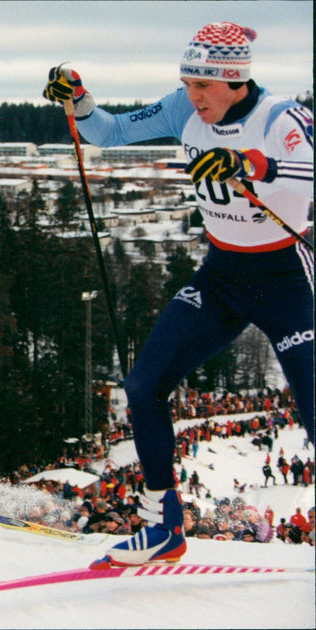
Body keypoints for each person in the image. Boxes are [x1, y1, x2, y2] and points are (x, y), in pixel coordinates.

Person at [43, 21, 314, 568]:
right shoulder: (181, 108)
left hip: (288, 280)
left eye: (203, 86)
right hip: (222, 277)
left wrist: (249, 165)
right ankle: (162, 525)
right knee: (144, 385)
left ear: (235, 81)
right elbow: (111, 132)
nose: (192, 97)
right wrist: (81, 101)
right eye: (186, 83)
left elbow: (306, 171)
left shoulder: (280, 117)